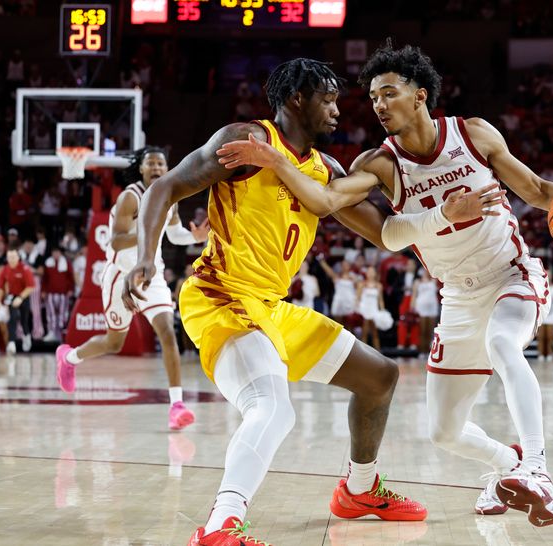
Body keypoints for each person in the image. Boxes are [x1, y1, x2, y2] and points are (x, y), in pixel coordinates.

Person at [121, 59, 494, 545]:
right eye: (328, 99)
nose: (338, 111)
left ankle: (360, 490)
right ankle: (220, 526)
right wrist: (146, 257)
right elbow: (166, 187)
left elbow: (384, 233)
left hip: (271, 308)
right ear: (296, 98)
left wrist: (443, 215)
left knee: (379, 377)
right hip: (221, 297)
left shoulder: (325, 170)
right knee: (273, 408)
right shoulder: (245, 140)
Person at [216, 44, 553, 526]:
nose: (378, 104)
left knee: (505, 343)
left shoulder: (473, 133)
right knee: (444, 432)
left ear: (420, 95)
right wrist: (276, 162)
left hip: (509, 274)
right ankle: (506, 466)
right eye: (373, 96)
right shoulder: (380, 164)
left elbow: (539, 191)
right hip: (457, 297)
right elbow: (324, 200)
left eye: (389, 93)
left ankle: (538, 470)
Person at [54, 147, 208, 431]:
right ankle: (69, 357)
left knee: (167, 333)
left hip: (152, 274)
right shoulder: (130, 198)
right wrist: (147, 227)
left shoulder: (169, 197)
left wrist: (194, 236)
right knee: (114, 343)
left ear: (166, 167)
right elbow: (115, 243)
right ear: (141, 169)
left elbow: (173, 233)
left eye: (160, 164)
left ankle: (177, 405)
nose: (156, 168)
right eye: (150, 164)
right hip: (119, 275)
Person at [0, 247, 35, 354]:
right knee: (12, 318)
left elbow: (31, 286)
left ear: (18, 257)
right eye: (9, 257)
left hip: (24, 296)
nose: (11, 259)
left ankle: (26, 337)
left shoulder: (25, 269)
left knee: (24, 320)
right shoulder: (5, 269)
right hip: (12, 296)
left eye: (13, 257)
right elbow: (0, 287)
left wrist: (21, 298)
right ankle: (11, 343)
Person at [42, 246, 75, 342]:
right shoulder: (48, 263)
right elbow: (45, 279)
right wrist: (43, 291)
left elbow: (70, 278)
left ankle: (61, 333)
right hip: (51, 294)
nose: (55, 255)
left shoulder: (66, 264)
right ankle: (51, 332)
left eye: (57, 252)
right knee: (51, 313)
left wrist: (70, 289)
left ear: (60, 253)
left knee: (63, 314)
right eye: (54, 252)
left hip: (63, 294)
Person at [411, 267, 439, 357]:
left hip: (432, 307)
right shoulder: (417, 282)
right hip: (421, 307)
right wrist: (412, 307)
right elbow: (414, 295)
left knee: (430, 330)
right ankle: (422, 351)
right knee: (422, 330)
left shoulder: (434, 281)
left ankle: (429, 351)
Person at [355, 265, 384, 349]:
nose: (371, 274)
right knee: (364, 332)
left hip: (374, 310)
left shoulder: (379, 285)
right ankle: (364, 353)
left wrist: (382, 311)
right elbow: (358, 298)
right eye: (369, 272)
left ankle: (378, 353)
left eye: (372, 272)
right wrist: (357, 309)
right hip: (364, 310)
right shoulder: (362, 284)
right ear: (366, 273)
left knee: (375, 333)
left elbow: (380, 300)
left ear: (375, 273)